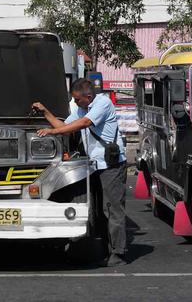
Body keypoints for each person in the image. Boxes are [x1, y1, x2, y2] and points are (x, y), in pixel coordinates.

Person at [33, 79, 129, 266]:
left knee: (113, 209)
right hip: (94, 165)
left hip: (111, 165)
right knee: (99, 210)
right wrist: (45, 112)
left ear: (89, 96)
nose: (75, 103)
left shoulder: (102, 103)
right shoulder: (81, 108)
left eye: (77, 99)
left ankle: (119, 252)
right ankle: (104, 250)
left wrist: (51, 132)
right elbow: (64, 128)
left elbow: (84, 123)